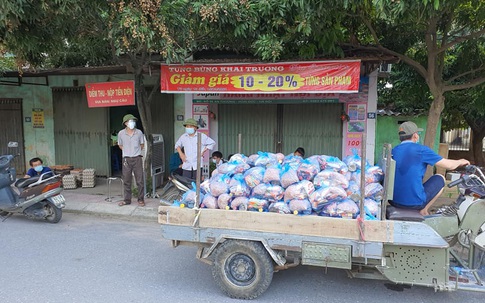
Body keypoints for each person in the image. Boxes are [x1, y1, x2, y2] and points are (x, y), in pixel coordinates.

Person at [391, 121, 470, 216]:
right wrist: (460, 161)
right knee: (440, 178)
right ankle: (423, 210)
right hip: (414, 203)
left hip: (394, 201)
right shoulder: (421, 150)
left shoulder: (394, 150)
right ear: (415, 136)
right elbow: (449, 165)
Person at [117, 114, 145, 207]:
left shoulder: (139, 132)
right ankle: (127, 199)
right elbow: (120, 145)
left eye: (133, 121)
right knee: (126, 180)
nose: (132, 123)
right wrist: (127, 152)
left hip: (137, 158)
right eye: (130, 121)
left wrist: (135, 151)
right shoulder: (121, 133)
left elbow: (142, 144)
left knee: (140, 180)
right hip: (126, 159)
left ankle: (141, 199)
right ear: (125, 123)